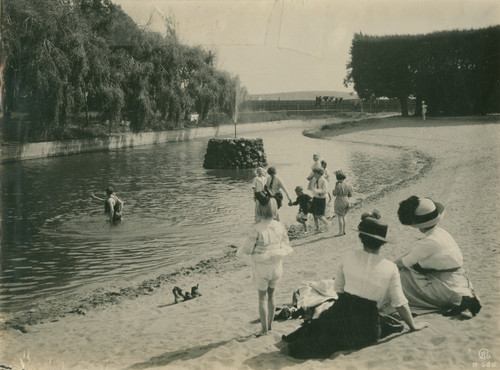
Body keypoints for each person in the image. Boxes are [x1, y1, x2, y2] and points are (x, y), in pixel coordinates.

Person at [280, 212, 427, 359]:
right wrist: (413, 326)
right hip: (367, 330)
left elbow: (338, 289)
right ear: (383, 242)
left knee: (318, 329)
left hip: (340, 315)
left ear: (361, 238)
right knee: (391, 325)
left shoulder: (348, 257)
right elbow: (399, 302)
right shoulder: (390, 267)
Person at [394, 196, 481, 317]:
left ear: (419, 225)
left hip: (445, 287)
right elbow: (414, 254)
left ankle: (399, 306)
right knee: (411, 269)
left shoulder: (428, 242)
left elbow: (403, 263)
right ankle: (464, 304)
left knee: (401, 274)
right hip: (458, 280)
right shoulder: (441, 233)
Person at [237, 193, 293, 336]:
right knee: (272, 295)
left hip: (262, 266)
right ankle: (270, 325)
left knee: (262, 297)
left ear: (258, 209)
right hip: (276, 264)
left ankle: (264, 329)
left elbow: (248, 249)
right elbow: (285, 244)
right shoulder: (279, 226)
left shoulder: (256, 228)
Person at [332, 170, 353, 236]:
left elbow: (334, 194)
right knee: (344, 216)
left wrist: (334, 187)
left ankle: (340, 232)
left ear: (337, 179)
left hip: (340, 200)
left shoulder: (338, 185)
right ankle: (344, 230)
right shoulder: (348, 185)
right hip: (346, 199)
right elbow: (350, 194)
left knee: (340, 216)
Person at [310, 168, 330, 232]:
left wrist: (317, 191)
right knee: (314, 213)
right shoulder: (316, 179)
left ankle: (327, 222)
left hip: (321, 198)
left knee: (318, 214)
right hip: (316, 197)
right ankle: (317, 228)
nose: (314, 175)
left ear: (319, 174)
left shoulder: (323, 180)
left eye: (315, 173)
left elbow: (326, 190)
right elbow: (314, 188)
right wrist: (313, 192)